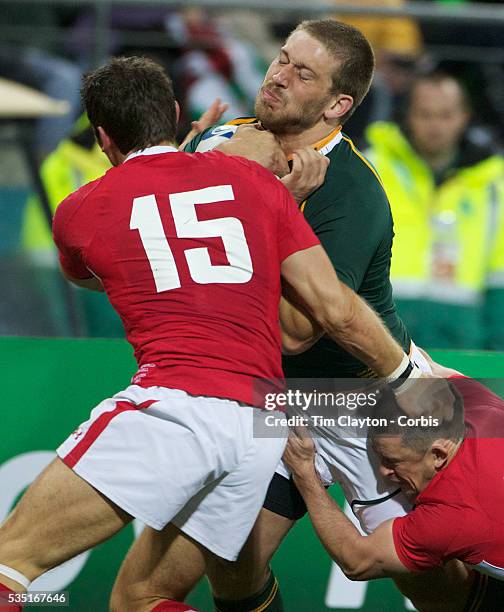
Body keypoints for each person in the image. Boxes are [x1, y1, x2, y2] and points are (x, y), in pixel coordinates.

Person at [0, 55, 419, 612]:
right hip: (260, 424)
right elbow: (331, 309)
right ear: (174, 113)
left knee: (10, 561)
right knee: (145, 597)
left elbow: (102, 272)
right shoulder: (257, 186)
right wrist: (414, 382)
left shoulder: (80, 210)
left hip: (179, 404)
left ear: (102, 136)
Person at [111, 19, 440, 612]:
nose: (278, 76)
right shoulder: (223, 145)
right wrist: (166, 172)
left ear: (339, 105)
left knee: (449, 596)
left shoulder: (349, 193)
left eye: (302, 72)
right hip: (275, 404)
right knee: (154, 591)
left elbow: (294, 333)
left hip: (377, 406)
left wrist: (271, 211)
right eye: (282, 58)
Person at [284, 355, 504, 611]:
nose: (384, 472)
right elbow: (428, 366)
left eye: (393, 461)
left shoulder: (450, 518)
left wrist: (305, 473)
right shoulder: (477, 404)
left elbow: (357, 561)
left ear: (438, 455)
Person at [365, 71, 504, 350]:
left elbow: (499, 273)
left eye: (445, 115)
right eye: (425, 114)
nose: (435, 125)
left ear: (464, 116)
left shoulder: (493, 183)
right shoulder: (371, 168)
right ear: (408, 116)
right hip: (378, 334)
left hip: (463, 340)